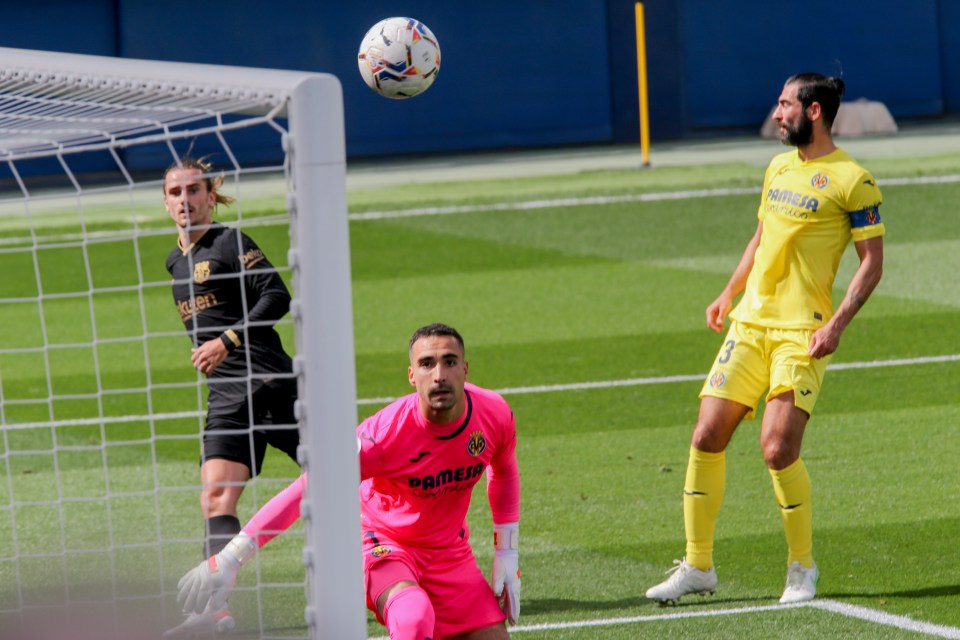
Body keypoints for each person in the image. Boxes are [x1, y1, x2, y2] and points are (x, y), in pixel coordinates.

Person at [645, 73, 885, 605]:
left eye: (784, 104)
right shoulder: (777, 167)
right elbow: (761, 236)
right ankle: (698, 565)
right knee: (707, 432)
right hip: (751, 324)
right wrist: (727, 293)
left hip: (803, 332)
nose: (777, 114)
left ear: (814, 111)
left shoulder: (853, 179)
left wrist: (836, 324)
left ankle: (802, 568)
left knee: (777, 448)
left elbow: (873, 262)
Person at [168, 323, 521, 640]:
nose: (439, 374)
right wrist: (231, 558)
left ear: (465, 369)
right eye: (427, 364)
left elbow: (503, 472)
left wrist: (506, 552)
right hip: (382, 542)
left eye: (449, 361)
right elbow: (308, 490)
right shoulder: (382, 436)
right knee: (413, 618)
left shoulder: (494, 414)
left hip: (447, 551)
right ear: (412, 375)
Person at [163, 157, 300, 634]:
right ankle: (215, 610)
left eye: (193, 191)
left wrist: (227, 341)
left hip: (270, 382)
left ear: (209, 197)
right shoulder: (174, 260)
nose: (185, 200)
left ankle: (402, 558)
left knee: (348, 484)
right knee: (215, 496)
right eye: (176, 193)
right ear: (166, 202)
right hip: (225, 396)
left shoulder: (229, 241)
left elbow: (277, 295)